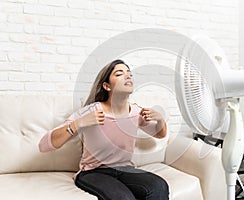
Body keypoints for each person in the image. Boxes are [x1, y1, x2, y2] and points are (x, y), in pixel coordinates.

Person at [39, 59, 169, 200]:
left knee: (159, 186)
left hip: (126, 170)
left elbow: (160, 134)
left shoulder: (137, 112)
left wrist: (160, 120)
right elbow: (44, 145)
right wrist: (78, 123)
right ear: (107, 86)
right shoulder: (91, 112)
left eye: (129, 74)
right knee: (123, 197)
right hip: (93, 172)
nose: (127, 76)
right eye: (119, 74)